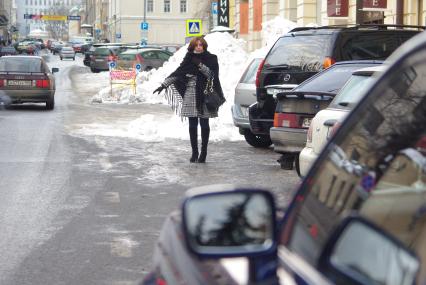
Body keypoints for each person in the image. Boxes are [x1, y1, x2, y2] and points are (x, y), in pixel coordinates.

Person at [153, 36, 225, 163]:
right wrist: (164, 85)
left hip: (204, 94)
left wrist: (200, 65)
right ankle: (194, 152)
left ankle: (203, 152)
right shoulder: (188, 58)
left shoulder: (211, 58)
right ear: (192, 46)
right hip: (190, 93)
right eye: (196, 45)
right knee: (192, 124)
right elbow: (178, 73)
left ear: (204, 46)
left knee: (204, 124)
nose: (199, 47)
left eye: (201, 45)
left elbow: (212, 75)